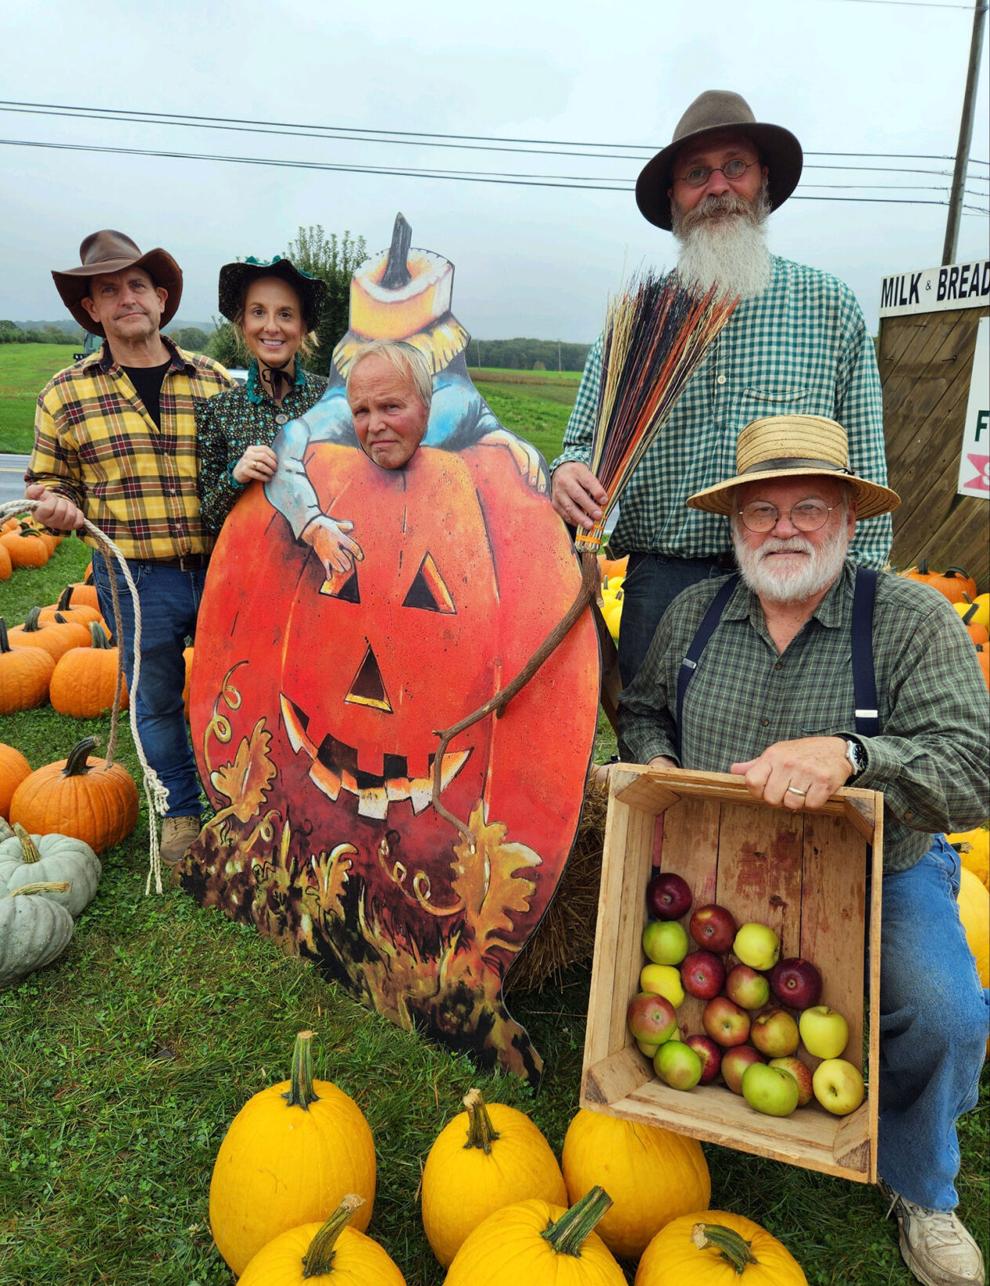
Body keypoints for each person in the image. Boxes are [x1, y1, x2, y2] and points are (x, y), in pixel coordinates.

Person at [620, 415, 989, 1286]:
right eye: (762, 510)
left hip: (877, 869)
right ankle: (671, 1110)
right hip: (715, 878)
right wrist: (658, 762)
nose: (784, 528)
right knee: (649, 984)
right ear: (736, 524)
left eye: (810, 507)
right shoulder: (694, 616)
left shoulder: (910, 620)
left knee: (944, 1012)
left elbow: (973, 773)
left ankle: (921, 1185)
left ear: (849, 520)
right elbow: (642, 710)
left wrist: (855, 756)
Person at [552, 90, 893, 688]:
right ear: (674, 198)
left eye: (735, 165)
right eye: (696, 173)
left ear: (763, 181)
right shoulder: (637, 320)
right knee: (654, 741)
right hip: (664, 583)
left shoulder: (828, 307)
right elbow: (581, 445)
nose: (718, 186)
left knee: (791, 745)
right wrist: (568, 472)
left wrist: (862, 599)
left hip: (796, 577)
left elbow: (863, 466)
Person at [25, 229, 232, 865]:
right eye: (109, 290)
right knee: (156, 698)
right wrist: (56, 504)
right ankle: (182, 812)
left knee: (239, 687)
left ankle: (248, 804)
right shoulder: (65, 394)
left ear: (161, 298)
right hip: (135, 578)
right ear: (92, 309)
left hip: (226, 569)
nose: (126, 299)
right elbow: (49, 480)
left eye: (137, 285)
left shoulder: (213, 381)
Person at [196, 255, 364, 573]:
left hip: (329, 574)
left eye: (285, 314)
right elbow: (209, 519)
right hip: (250, 576)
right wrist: (235, 478)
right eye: (258, 312)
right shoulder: (219, 411)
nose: (271, 326)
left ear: (303, 326)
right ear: (243, 323)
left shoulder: (334, 399)